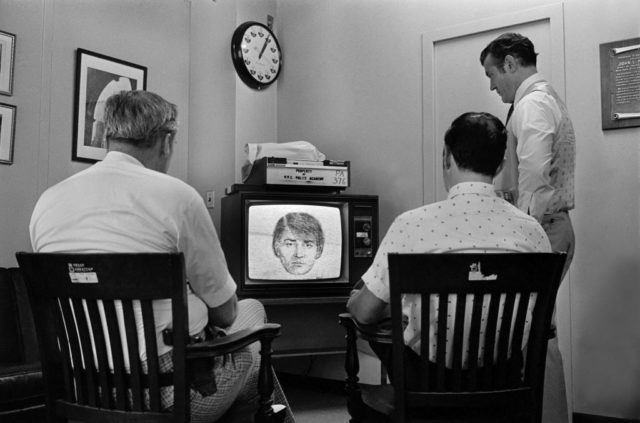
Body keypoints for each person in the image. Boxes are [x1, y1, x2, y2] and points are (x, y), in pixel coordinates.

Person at [29, 90, 293, 423]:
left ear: (105, 135)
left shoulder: (46, 203)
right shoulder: (178, 198)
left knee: (249, 325)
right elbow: (226, 314)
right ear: (166, 140)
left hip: (83, 388)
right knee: (255, 343)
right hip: (168, 396)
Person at [347, 112, 551, 386]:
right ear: (501, 165)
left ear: (446, 157)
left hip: (426, 383)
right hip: (503, 383)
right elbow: (543, 321)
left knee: (378, 314)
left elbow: (366, 313)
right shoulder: (532, 232)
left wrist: (358, 301)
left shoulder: (411, 226)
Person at [481, 32, 576, 422]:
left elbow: (535, 178)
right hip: (551, 228)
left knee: (536, 338)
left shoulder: (533, 104)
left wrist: (519, 234)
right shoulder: (544, 98)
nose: (491, 85)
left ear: (509, 64)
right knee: (536, 334)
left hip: (542, 231)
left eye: (491, 74)